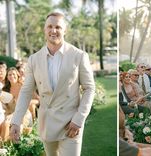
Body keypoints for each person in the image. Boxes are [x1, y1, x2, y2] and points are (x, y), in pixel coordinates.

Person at [10, 12, 95, 156]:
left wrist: (79, 118)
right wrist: (16, 121)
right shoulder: (34, 59)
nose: (53, 30)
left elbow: (89, 88)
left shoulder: (79, 56)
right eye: (49, 26)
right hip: (47, 123)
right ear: (44, 29)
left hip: (71, 124)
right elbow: (26, 91)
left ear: (64, 30)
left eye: (58, 27)